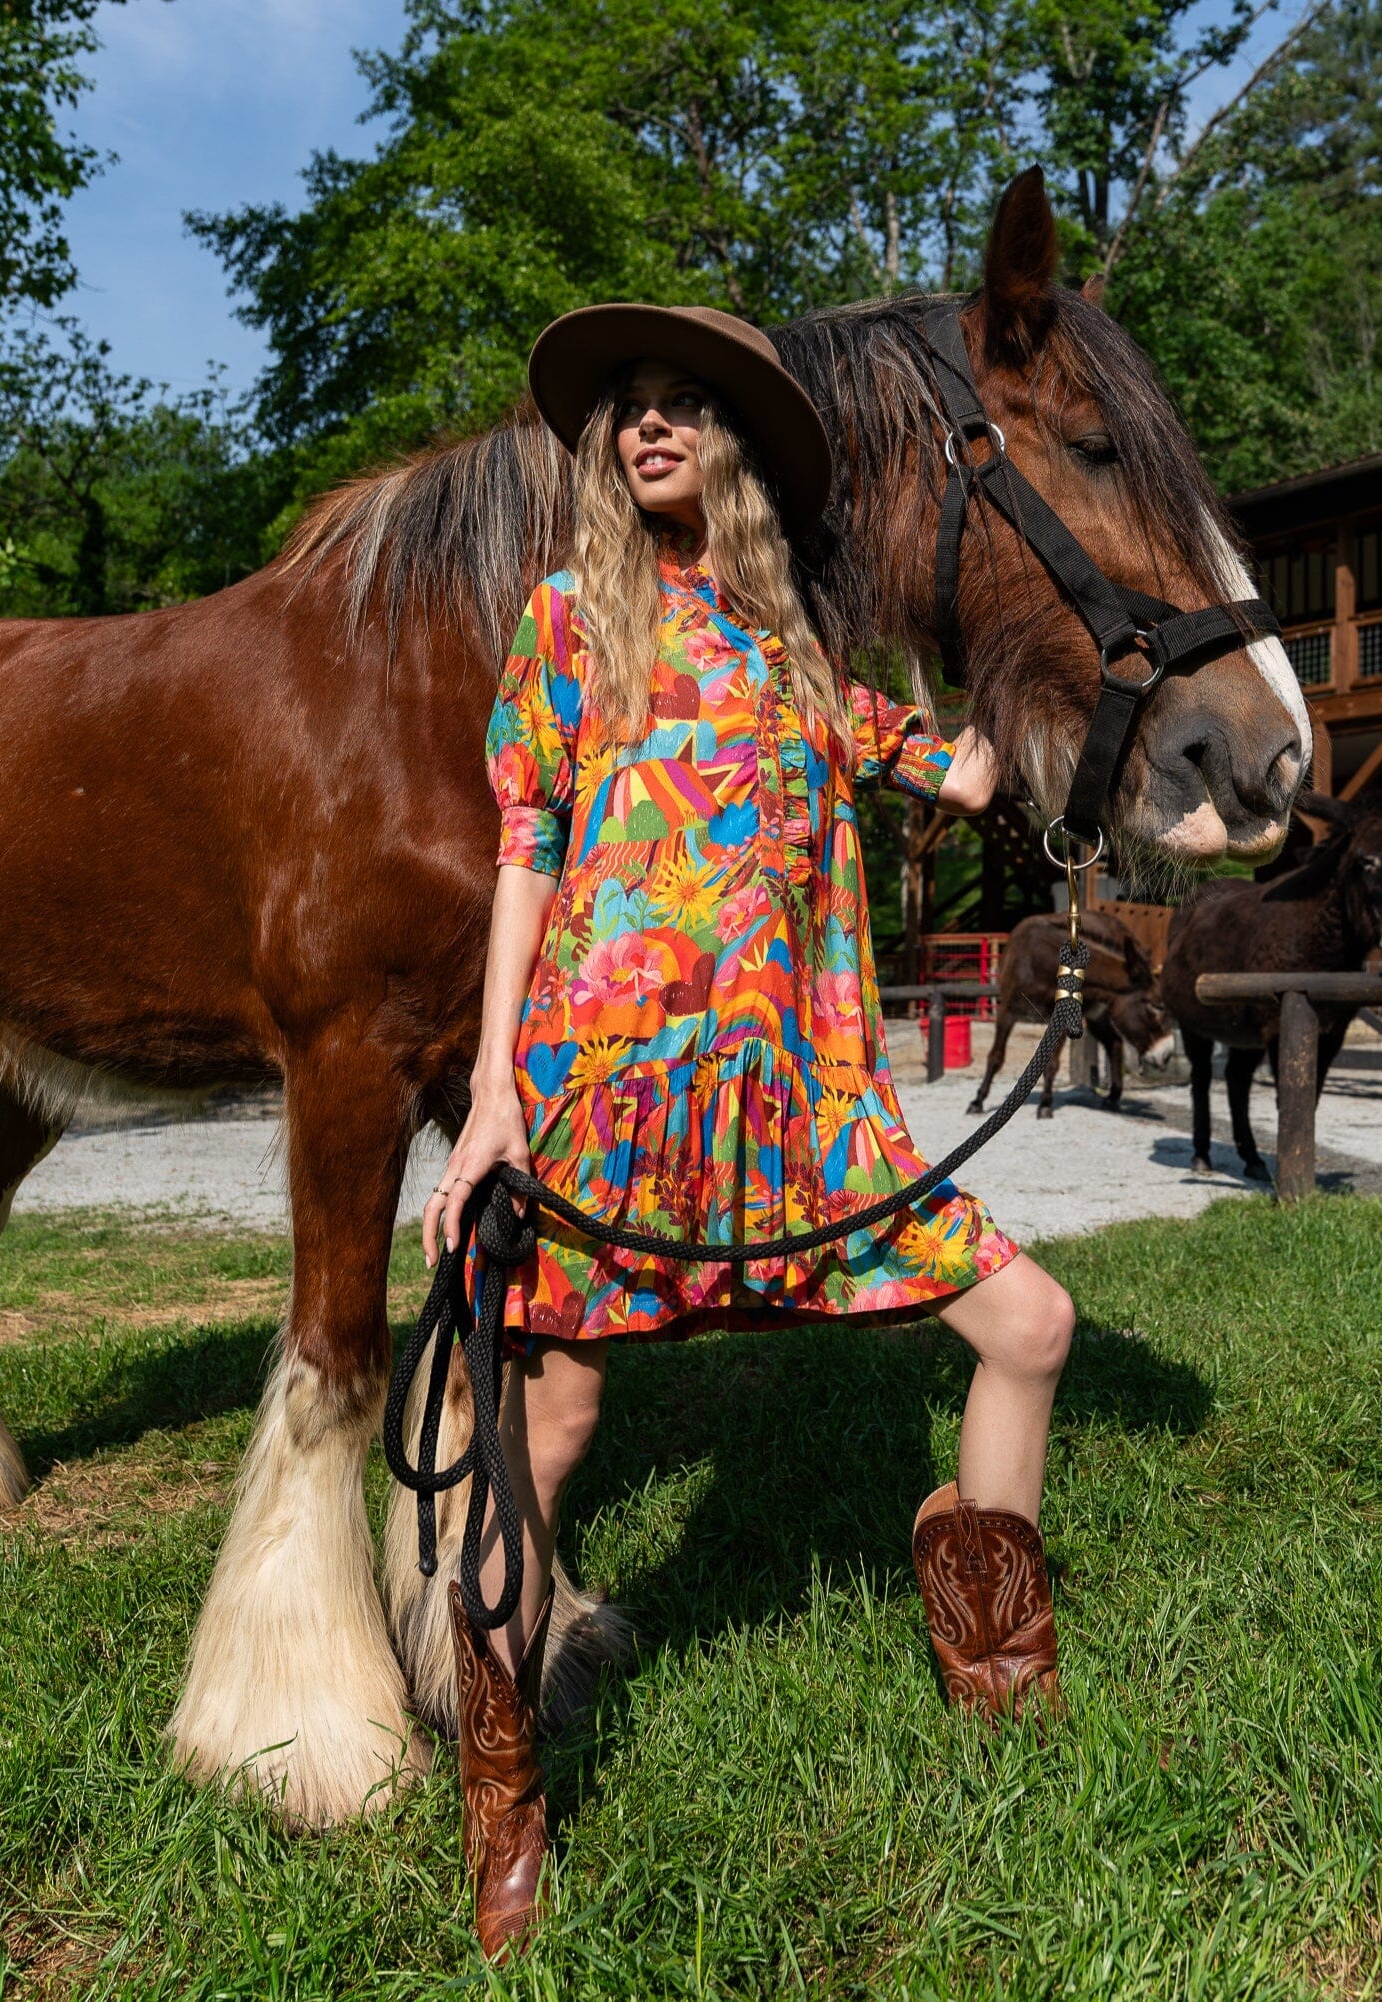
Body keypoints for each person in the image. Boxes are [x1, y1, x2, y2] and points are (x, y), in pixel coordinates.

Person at [423, 304, 1076, 1958]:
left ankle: (989, 1640)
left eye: (680, 406)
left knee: (1030, 1320)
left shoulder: (803, 661)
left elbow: (978, 777)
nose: (647, 427)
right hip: (604, 1096)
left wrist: (1040, 636)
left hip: (798, 1112)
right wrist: (494, 1094)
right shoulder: (568, 622)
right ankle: (501, 1798)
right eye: (626, 411)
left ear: (730, 447)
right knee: (548, 1436)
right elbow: (526, 850)